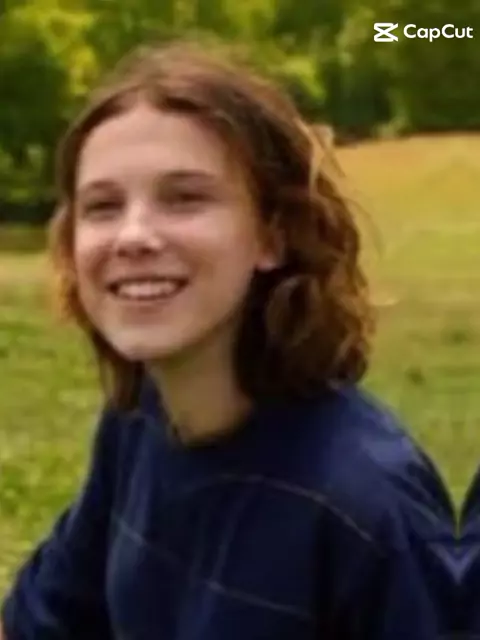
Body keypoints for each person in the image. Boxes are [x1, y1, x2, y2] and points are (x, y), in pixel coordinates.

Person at [1, 40, 457, 639]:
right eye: (103, 207)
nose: (132, 236)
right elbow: (46, 621)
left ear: (272, 236)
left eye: (185, 198)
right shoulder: (138, 420)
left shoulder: (365, 502)